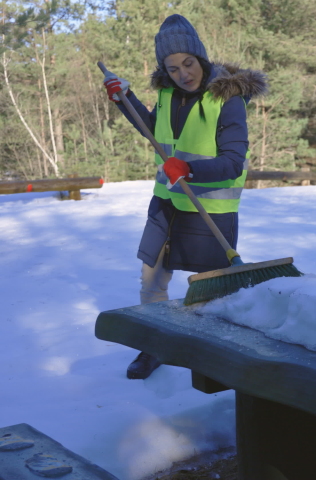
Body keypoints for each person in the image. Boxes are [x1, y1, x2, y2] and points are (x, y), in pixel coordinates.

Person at [103, 14, 267, 379]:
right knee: (151, 280)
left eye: (188, 63)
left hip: (209, 208)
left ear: (201, 58)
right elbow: (154, 133)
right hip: (166, 204)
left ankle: (216, 352)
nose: (182, 74)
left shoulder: (228, 99)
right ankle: (155, 346)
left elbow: (232, 161)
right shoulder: (165, 94)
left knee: (211, 291)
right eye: (172, 67)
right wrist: (124, 99)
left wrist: (190, 170)